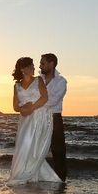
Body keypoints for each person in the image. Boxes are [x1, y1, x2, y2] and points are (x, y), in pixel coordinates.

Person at [7, 57, 62, 185]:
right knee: (24, 145)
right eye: (30, 65)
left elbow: (44, 98)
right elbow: (15, 106)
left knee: (34, 146)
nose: (34, 67)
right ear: (22, 69)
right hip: (25, 119)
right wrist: (23, 109)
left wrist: (31, 107)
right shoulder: (17, 86)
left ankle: (26, 174)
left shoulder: (38, 80)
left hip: (40, 117)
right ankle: (26, 173)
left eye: (33, 65)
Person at [39, 53, 68, 181]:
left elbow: (54, 101)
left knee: (58, 152)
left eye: (43, 63)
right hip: (38, 118)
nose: (40, 66)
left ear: (52, 64)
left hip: (55, 119)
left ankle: (61, 182)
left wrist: (38, 102)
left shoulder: (61, 81)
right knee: (36, 149)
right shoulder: (38, 80)